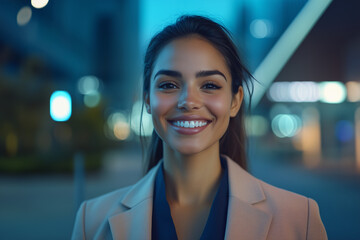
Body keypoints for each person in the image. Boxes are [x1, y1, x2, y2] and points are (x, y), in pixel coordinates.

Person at [71, 15, 327, 240]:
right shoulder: (91, 221)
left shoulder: (299, 220)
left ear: (235, 101)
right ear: (147, 100)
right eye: (169, 85)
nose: (188, 102)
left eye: (210, 85)